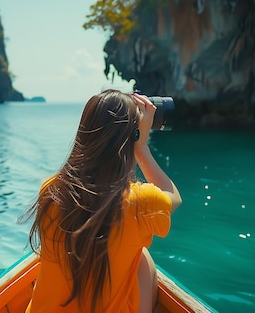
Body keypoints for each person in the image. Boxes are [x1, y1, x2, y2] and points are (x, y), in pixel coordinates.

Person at [23, 89, 182, 313]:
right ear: (132, 136)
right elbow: (173, 195)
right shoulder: (139, 202)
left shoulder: (50, 189)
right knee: (143, 258)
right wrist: (141, 147)